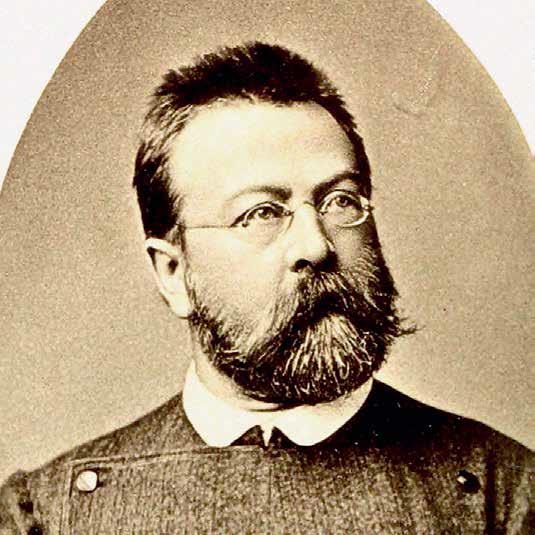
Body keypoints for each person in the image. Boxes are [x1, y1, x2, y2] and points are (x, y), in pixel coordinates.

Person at [0, 42, 532, 534]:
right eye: (260, 213)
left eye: (340, 201)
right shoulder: (45, 515)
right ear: (174, 273)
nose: (316, 245)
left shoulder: (506, 494)